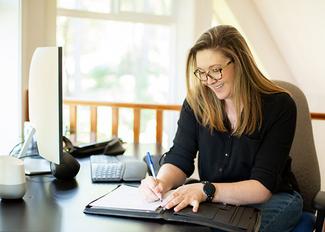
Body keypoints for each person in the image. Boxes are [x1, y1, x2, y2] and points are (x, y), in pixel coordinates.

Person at [139, 25, 303, 232]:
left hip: (271, 199)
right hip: (214, 197)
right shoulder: (196, 103)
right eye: (202, 72)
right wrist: (161, 182)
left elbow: (261, 187)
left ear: (240, 62)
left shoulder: (279, 106)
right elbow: (179, 157)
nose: (208, 81)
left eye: (216, 70)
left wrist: (206, 190)